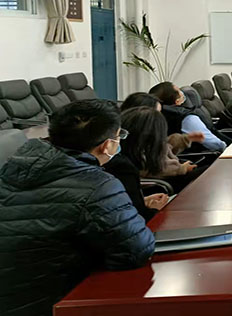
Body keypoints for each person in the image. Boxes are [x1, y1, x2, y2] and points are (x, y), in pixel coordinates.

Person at [0, 99, 155, 316]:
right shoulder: (99, 185)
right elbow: (135, 251)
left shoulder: (12, 165)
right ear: (107, 145)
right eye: (119, 136)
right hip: (57, 304)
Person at [105, 107, 172, 221]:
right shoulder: (123, 168)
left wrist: (142, 200)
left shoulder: (112, 159)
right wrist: (155, 210)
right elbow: (137, 219)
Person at [149, 82, 228, 151]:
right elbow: (215, 144)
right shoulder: (187, 118)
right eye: (179, 91)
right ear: (177, 101)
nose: (182, 92)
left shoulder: (155, 115)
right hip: (204, 158)